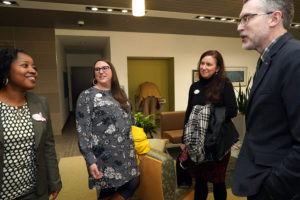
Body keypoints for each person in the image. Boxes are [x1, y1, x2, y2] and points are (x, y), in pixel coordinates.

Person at [231, 0, 300, 199]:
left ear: (274, 18)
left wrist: (271, 188)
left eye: (247, 18)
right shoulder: (269, 60)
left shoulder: (294, 58)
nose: (239, 26)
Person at [0, 48, 62, 200]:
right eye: (25, 65)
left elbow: (48, 146)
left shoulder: (40, 103)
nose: (33, 71)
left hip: (35, 191)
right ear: (7, 70)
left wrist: (54, 182)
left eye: (34, 67)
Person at [76, 59, 140, 200]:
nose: (101, 71)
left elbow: (129, 118)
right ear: (94, 74)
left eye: (105, 68)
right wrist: (90, 160)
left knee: (133, 182)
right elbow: (82, 130)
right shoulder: (87, 96)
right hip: (103, 154)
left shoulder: (120, 92)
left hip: (126, 151)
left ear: (112, 72)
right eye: (97, 69)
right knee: (107, 189)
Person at [181, 50, 238, 200]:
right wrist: (183, 140)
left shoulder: (224, 85)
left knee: (218, 182)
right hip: (197, 143)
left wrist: (206, 114)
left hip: (217, 143)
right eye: (202, 63)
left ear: (217, 68)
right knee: (200, 181)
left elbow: (232, 110)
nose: (204, 67)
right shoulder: (195, 87)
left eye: (209, 64)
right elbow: (189, 113)